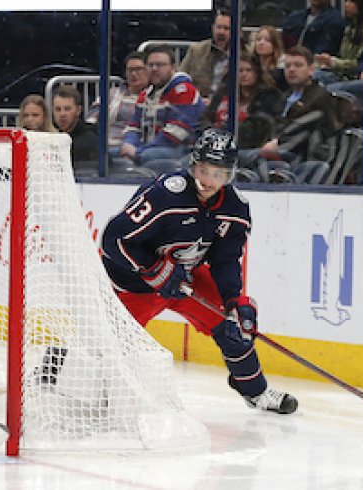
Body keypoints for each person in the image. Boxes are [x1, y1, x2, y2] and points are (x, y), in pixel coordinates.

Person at [100, 127, 298, 415]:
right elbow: (113, 239)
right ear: (194, 165)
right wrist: (154, 269)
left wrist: (234, 301)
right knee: (104, 344)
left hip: (183, 280)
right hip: (136, 284)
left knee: (233, 326)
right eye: (204, 170)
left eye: (218, 174)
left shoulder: (236, 209)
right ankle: (58, 365)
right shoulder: (165, 195)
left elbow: (226, 261)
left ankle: (255, 391)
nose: (208, 181)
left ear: (229, 174)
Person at [120, 45, 205, 175]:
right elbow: (133, 127)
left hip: (183, 149)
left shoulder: (185, 91)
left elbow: (175, 134)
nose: (154, 69)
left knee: (147, 156)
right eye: (151, 65)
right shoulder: (145, 95)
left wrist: (138, 151)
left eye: (160, 65)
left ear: (172, 67)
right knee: (108, 155)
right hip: (148, 147)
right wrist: (129, 145)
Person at [86, 51, 149, 162]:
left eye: (139, 69)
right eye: (130, 70)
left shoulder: (153, 97)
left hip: (131, 147)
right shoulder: (111, 93)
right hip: (103, 145)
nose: (134, 74)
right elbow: (92, 119)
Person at [314, 0, 363, 84]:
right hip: (341, 75)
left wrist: (334, 62)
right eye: (346, 1)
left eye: (351, 2)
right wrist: (327, 61)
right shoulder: (349, 28)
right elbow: (342, 56)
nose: (346, 5)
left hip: (358, 78)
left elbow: (362, 63)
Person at [179, 8, 232, 98]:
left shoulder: (243, 53)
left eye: (226, 28)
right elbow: (181, 78)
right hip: (198, 102)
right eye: (218, 27)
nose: (221, 32)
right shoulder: (196, 50)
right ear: (213, 28)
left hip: (228, 105)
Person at [51, 85, 99, 173]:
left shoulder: (90, 139)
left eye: (67, 109)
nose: (62, 114)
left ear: (78, 110)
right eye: (58, 109)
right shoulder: (50, 137)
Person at [250, 25, 287, 90]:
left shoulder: (283, 64)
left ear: (275, 44)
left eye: (267, 40)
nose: (261, 43)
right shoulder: (251, 63)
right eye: (258, 39)